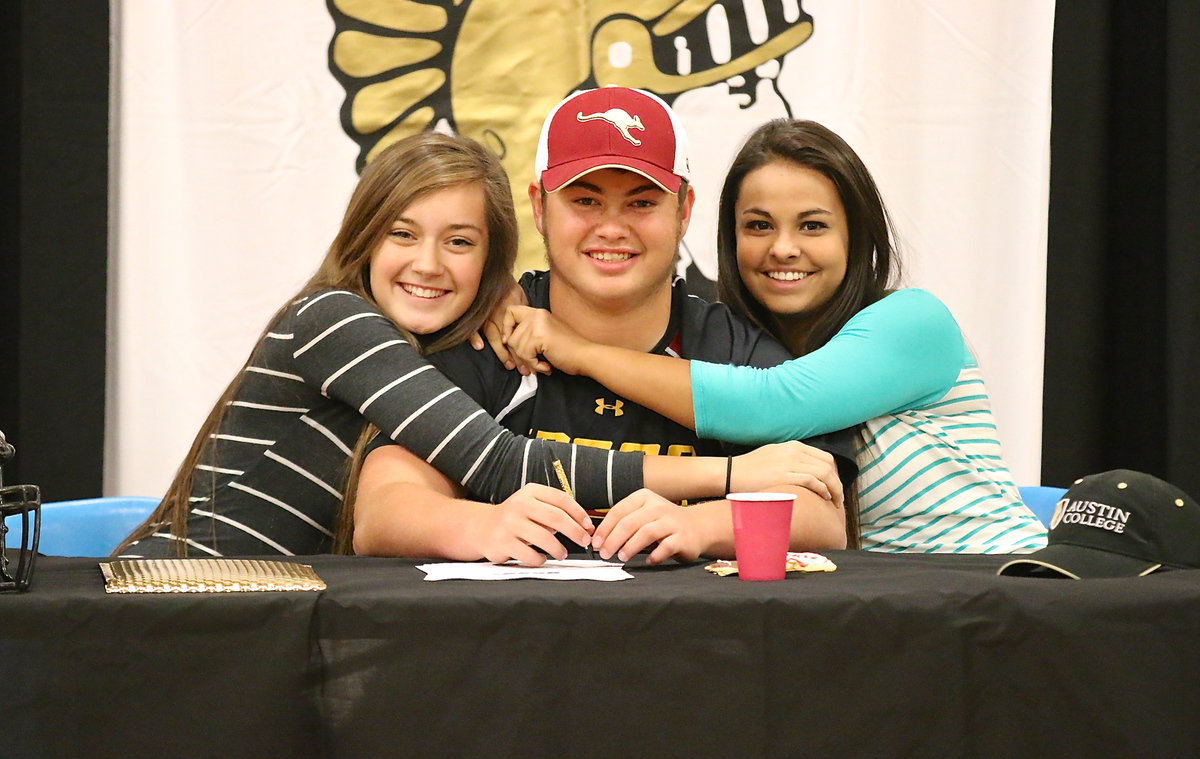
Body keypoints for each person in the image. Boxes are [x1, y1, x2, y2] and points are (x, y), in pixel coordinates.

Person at [116, 131, 824, 562]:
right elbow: (499, 462)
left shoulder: (468, 332)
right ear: (363, 237)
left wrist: (502, 298)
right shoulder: (334, 320)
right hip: (178, 588)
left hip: (263, 602)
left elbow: (826, 514)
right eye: (402, 234)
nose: (428, 264)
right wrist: (734, 477)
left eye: (459, 242)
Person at [356, 89, 858, 566]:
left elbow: (823, 514)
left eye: (642, 203)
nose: (612, 228)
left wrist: (700, 525)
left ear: (683, 212)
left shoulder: (730, 344)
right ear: (539, 207)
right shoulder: (489, 333)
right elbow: (382, 510)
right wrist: (481, 523)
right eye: (585, 201)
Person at [498, 118, 1046, 554]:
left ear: (857, 235)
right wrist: (496, 296)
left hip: (998, 576)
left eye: (813, 225)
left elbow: (774, 402)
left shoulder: (913, 321)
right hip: (889, 604)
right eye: (759, 226)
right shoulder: (742, 339)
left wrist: (579, 350)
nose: (783, 248)